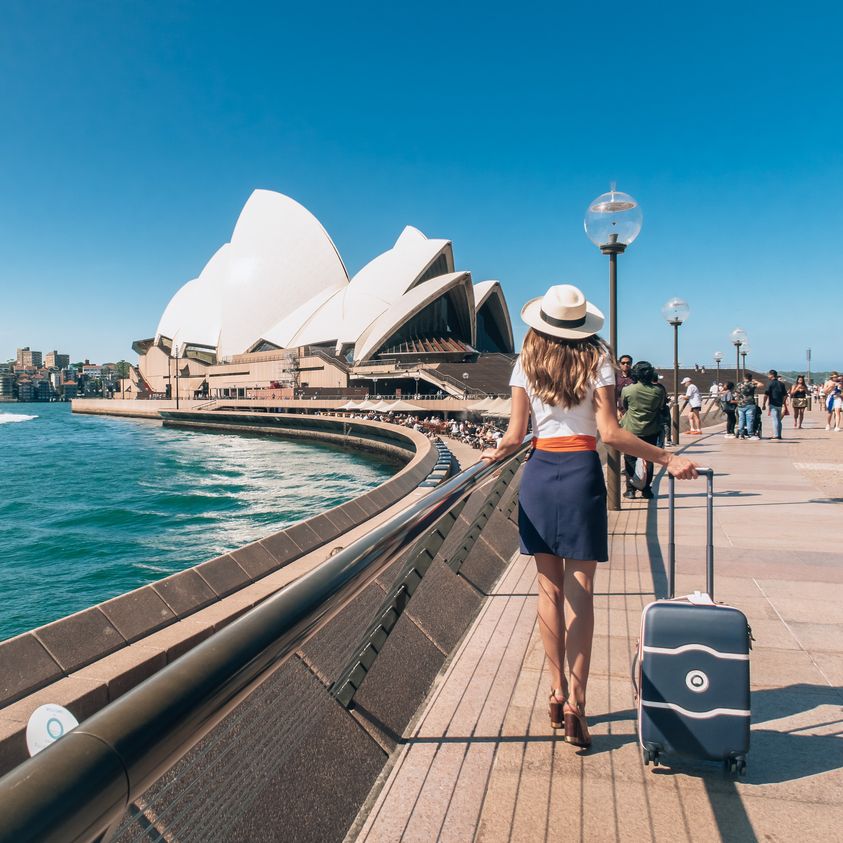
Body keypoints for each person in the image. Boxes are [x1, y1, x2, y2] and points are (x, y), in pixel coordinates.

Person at [480, 284, 697, 749]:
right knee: (582, 596)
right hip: (581, 474)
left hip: (538, 474)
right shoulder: (597, 360)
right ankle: (579, 702)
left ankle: (555, 693)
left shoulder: (526, 363)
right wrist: (666, 458)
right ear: (581, 324)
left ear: (541, 322)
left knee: (548, 592)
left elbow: (515, 436)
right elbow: (610, 434)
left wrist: (490, 455)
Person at [620, 361, 667, 499]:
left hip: (631, 429)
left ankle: (630, 490)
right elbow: (660, 407)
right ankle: (646, 489)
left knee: (629, 459)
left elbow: (625, 406)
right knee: (648, 459)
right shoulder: (658, 391)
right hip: (651, 429)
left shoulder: (628, 390)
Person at [762, 370, 789, 440]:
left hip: (773, 404)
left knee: (775, 420)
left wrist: (764, 404)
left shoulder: (770, 384)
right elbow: (785, 395)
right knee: (778, 420)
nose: (768, 376)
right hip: (779, 404)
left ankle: (776, 435)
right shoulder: (781, 384)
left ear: (771, 375)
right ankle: (779, 434)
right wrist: (783, 402)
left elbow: (766, 395)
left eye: (769, 375)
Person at [735, 373, 762, 440]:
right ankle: (750, 434)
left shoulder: (739, 384)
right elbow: (761, 385)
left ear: (744, 378)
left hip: (741, 404)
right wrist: (755, 381)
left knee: (741, 420)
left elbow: (736, 393)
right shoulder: (751, 384)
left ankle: (741, 435)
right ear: (750, 378)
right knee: (749, 420)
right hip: (750, 404)